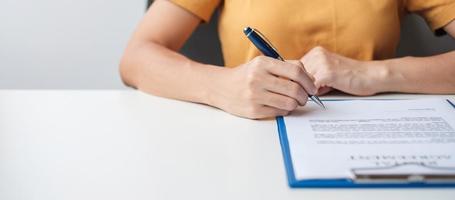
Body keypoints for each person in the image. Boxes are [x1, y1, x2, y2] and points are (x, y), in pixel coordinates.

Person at [120, 0, 455, 119]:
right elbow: (136, 57)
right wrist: (221, 86)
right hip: (250, 136)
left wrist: (375, 73)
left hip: (374, 134)